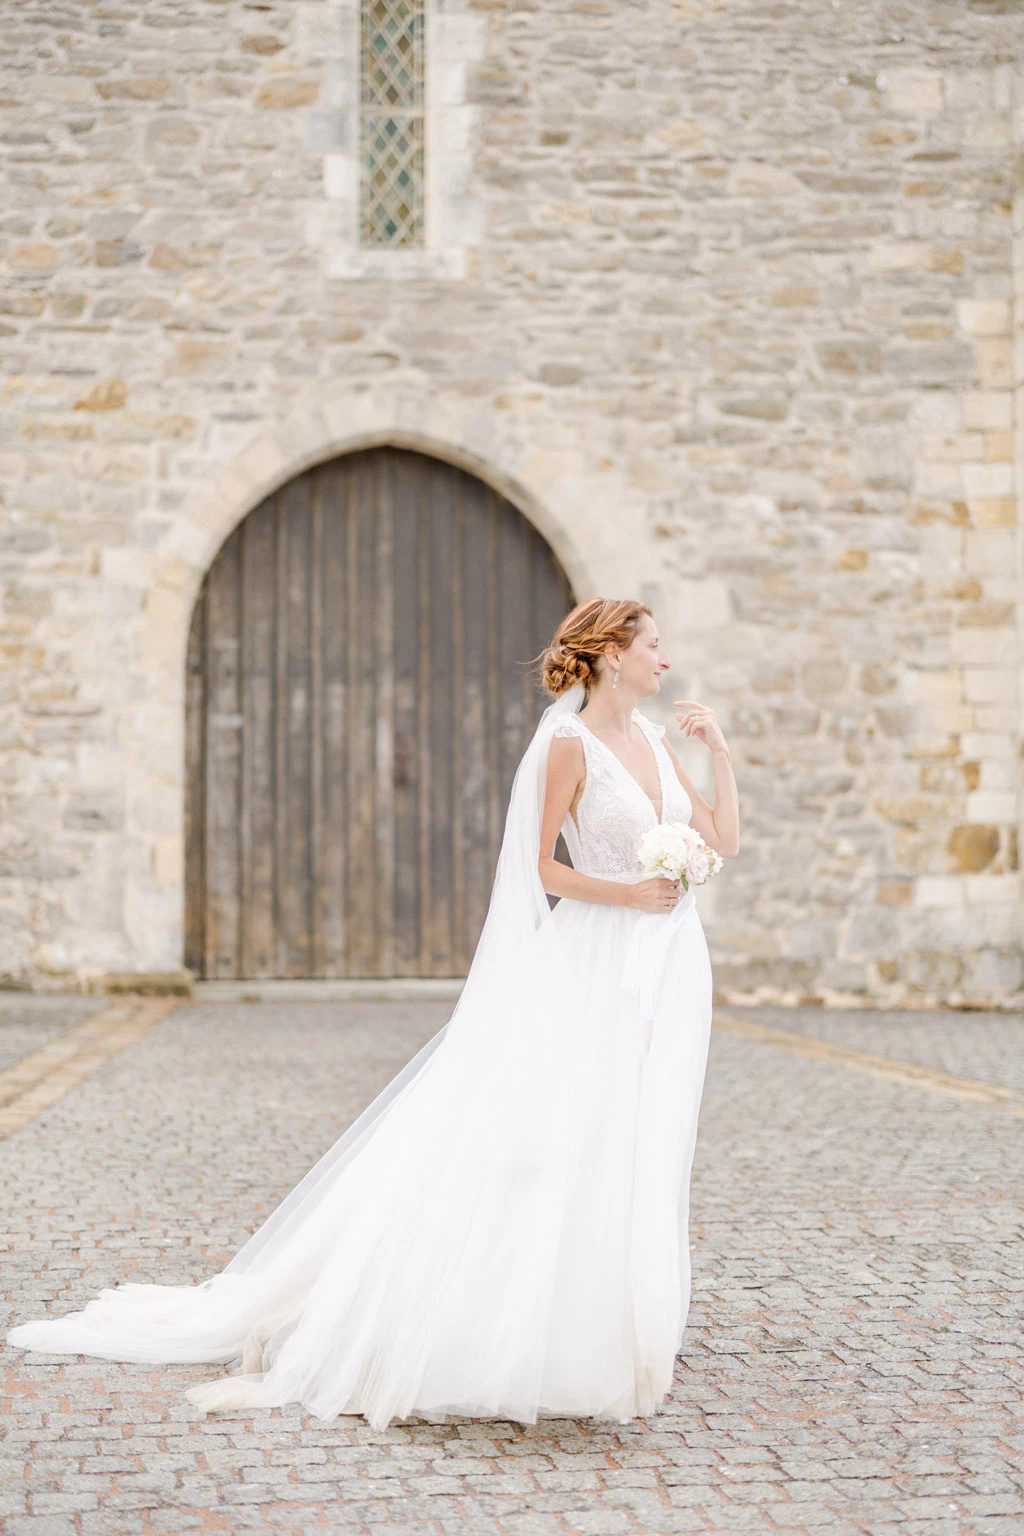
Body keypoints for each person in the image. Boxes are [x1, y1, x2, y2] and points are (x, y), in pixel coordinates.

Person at [8, 597, 740, 1430]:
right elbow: (540, 866)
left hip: (668, 967)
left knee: (638, 1134)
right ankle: (518, 1320)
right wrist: (627, 893)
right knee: (565, 1134)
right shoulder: (568, 745)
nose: (664, 659)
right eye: (652, 645)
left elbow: (722, 840)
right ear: (610, 653)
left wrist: (718, 752)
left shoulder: (655, 740)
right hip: (595, 959)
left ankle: (611, 1319)